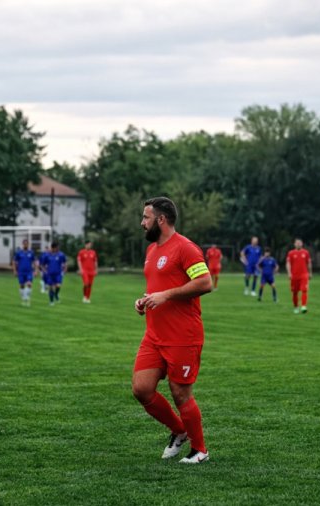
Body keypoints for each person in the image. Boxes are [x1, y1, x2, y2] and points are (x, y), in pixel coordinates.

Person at [132, 196, 213, 464]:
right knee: (141, 389)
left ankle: (200, 450)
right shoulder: (152, 250)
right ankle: (179, 431)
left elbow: (205, 282)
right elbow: (160, 287)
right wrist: (146, 299)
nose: (142, 223)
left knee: (181, 393)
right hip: (154, 335)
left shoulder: (186, 248)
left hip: (182, 336)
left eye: (146, 217)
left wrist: (165, 296)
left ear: (161, 219)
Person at [286, 238, 312, 314]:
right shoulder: (291, 253)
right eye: (297, 243)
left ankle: (304, 306)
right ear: (294, 244)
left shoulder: (306, 252)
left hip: (304, 275)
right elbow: (288, 263)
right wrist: (289, 273)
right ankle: (296, 307)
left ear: (302, 244)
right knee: (295, 292)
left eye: (299, 243)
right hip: (294, 276)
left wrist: (310, 273)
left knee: (304, 290)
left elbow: (309, 263)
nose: (298, 244)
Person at [11, 239, 38, 306]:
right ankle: (23, 298)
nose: (25, 245)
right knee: (22, 286)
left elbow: (35, 262)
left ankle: (27, 298)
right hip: (21, 272)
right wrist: (14, 270)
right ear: (23, 244)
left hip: (29, 271)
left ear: (28, 244)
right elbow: (14, 262)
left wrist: (36, 270)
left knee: (29, 284)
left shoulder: (31, 252)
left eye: (27, 244)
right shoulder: (19, 253)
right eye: (24, 243)